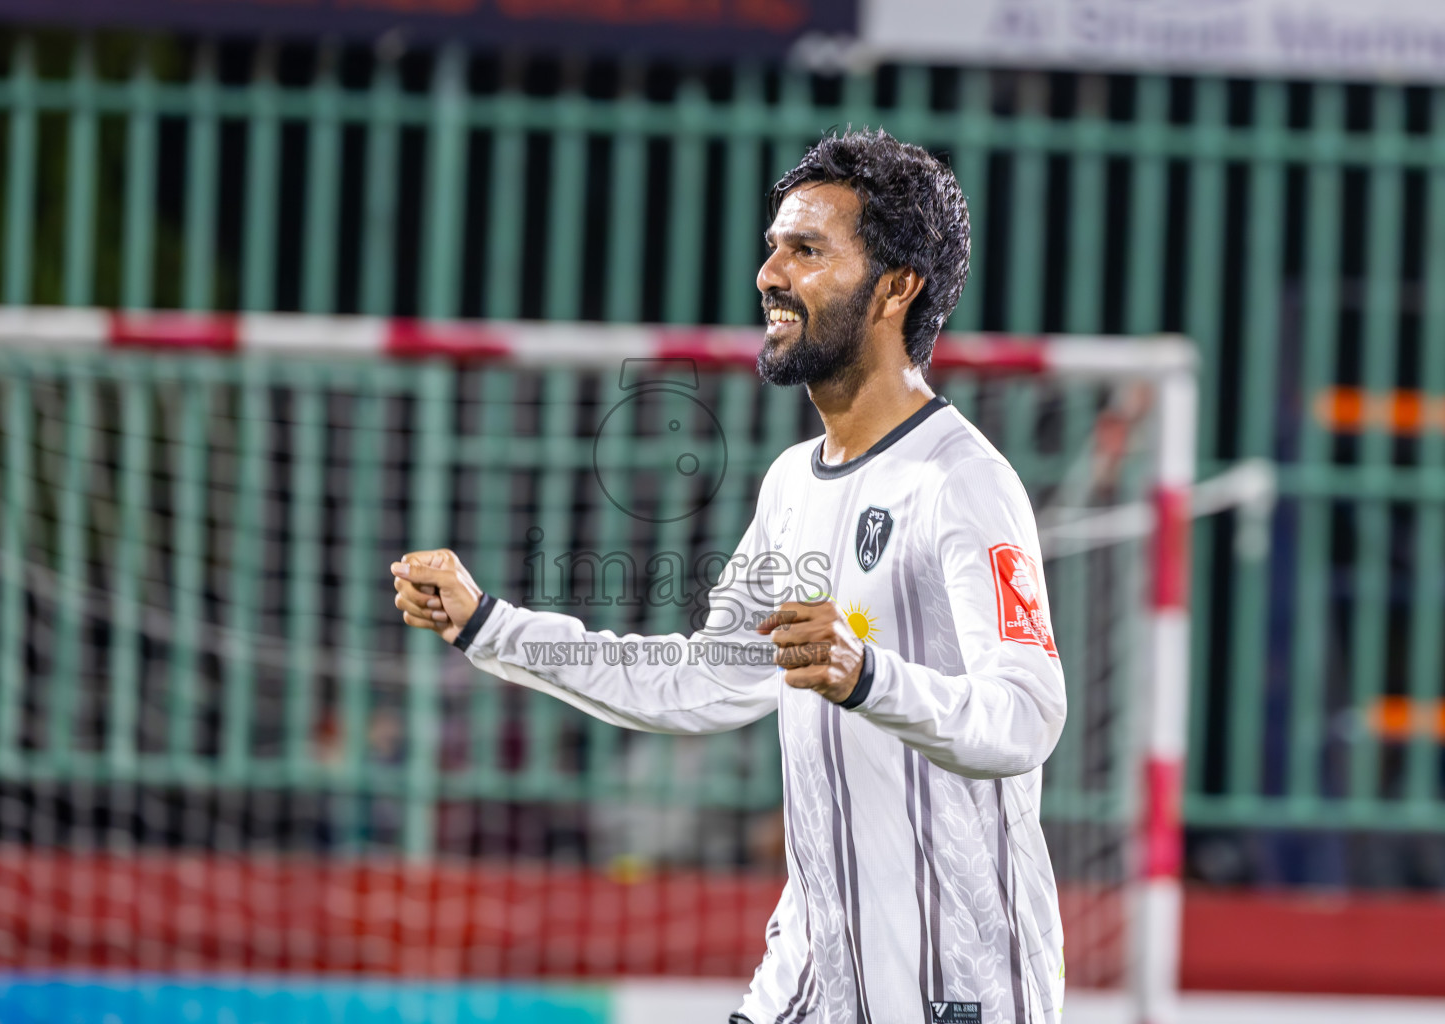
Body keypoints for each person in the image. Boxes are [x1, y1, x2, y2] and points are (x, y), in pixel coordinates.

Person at [392, 128, 1067, 1024]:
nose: (769, 274)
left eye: (807, 250)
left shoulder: (963, 483)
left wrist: (869, 678)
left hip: (955, 987)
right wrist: (491, 626)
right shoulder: (793, 484)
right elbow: (702, 677)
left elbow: (1027, 714)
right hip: (816, 974)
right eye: (772, 246)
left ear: (896, 288)